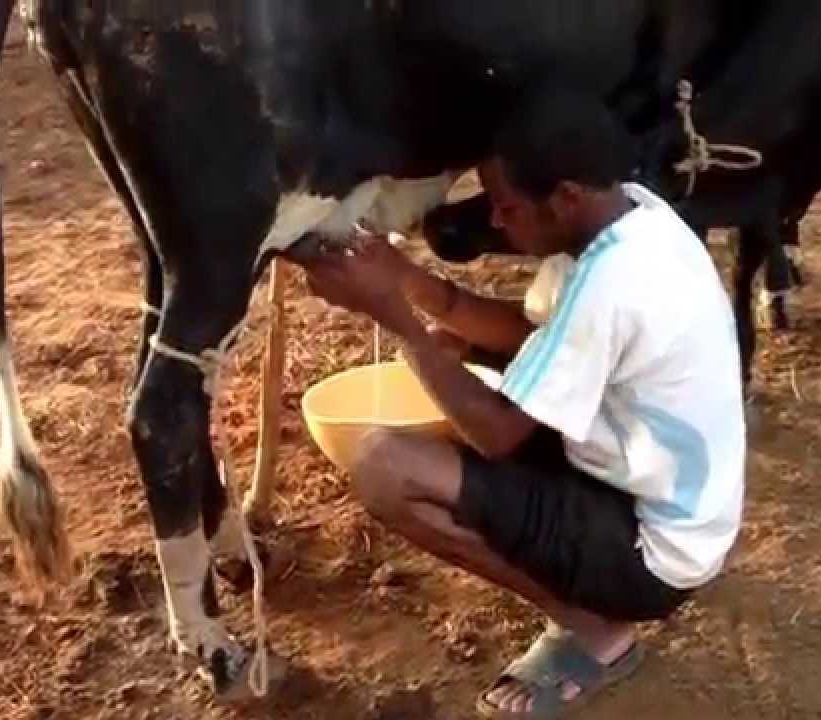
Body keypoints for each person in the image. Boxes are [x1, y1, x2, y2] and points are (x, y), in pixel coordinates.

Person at [289, 89, 747, 719]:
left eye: (507, 207)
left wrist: (401, 324)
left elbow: (498, 435)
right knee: (461, 394)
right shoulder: (630, 220)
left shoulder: (614, 284)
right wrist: (408, 280)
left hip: (654, 552)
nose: (497, 222)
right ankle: (591, 610)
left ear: (566, 198)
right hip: (639, 488)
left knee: (384, 466)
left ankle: (594, 631)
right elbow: (534, 333)